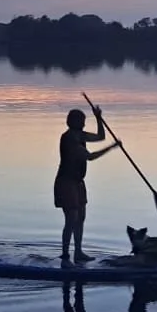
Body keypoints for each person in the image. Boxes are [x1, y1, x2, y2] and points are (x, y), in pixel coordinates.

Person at [55, 105, 120, 267]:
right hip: (66, 182)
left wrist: (98, 118)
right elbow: (89, 157)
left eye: (84, 121)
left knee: (81, 218)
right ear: (73, 122)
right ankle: (65, 256)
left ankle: (78, 252)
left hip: (78, 182)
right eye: (82, 121)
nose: (84, 124)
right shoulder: (69, 138)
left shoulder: (81, 135)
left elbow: (100, 136)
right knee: (71, 219)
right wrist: (111, 148)